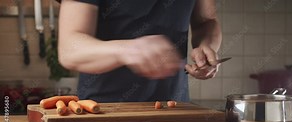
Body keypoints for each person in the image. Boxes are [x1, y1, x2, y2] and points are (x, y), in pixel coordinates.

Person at [57, 0, 222, 102]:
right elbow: (69, 49)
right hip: (103, 113)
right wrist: (127, 50)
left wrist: (207, 46)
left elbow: (206, 20)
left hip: (175, 108)